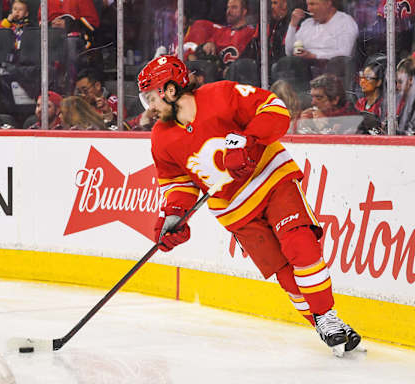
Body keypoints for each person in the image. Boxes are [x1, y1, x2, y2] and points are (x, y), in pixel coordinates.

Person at [138, 55, 361, 355]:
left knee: (300, 245)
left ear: (170, 90)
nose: (148, 107)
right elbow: (179, 184)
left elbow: (274, 109)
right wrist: (175, 215)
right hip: (236, 212)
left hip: (272, 181)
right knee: (285, 275)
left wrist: (249, 140)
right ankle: (327, 325)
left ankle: (327, 317)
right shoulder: (160, 139)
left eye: (151, 97)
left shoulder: (220, 94)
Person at [183, 0, 257, 73]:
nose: (229, 11)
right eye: (228, 8)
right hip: (218, 77)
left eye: (234, 7)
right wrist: (208, 45)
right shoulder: (220, 31)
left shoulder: (251, 32)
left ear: (244, 11)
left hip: (240, 75)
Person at [285, 0, 359, 61]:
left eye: (312, 4)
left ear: (328, 3)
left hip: (331, 69)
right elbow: (289, 52)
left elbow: (345, 53)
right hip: (303, 67)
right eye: (307, 4)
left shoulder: (345, 21)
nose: (308, 9)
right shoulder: (307, 24)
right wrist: (293, 24)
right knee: (285, 62)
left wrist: (314, 56)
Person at [395, 57, 415, 135]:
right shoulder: (400, 101)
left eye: (400, 82)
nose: (397, 86)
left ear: (410, 80)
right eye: (396, 82)